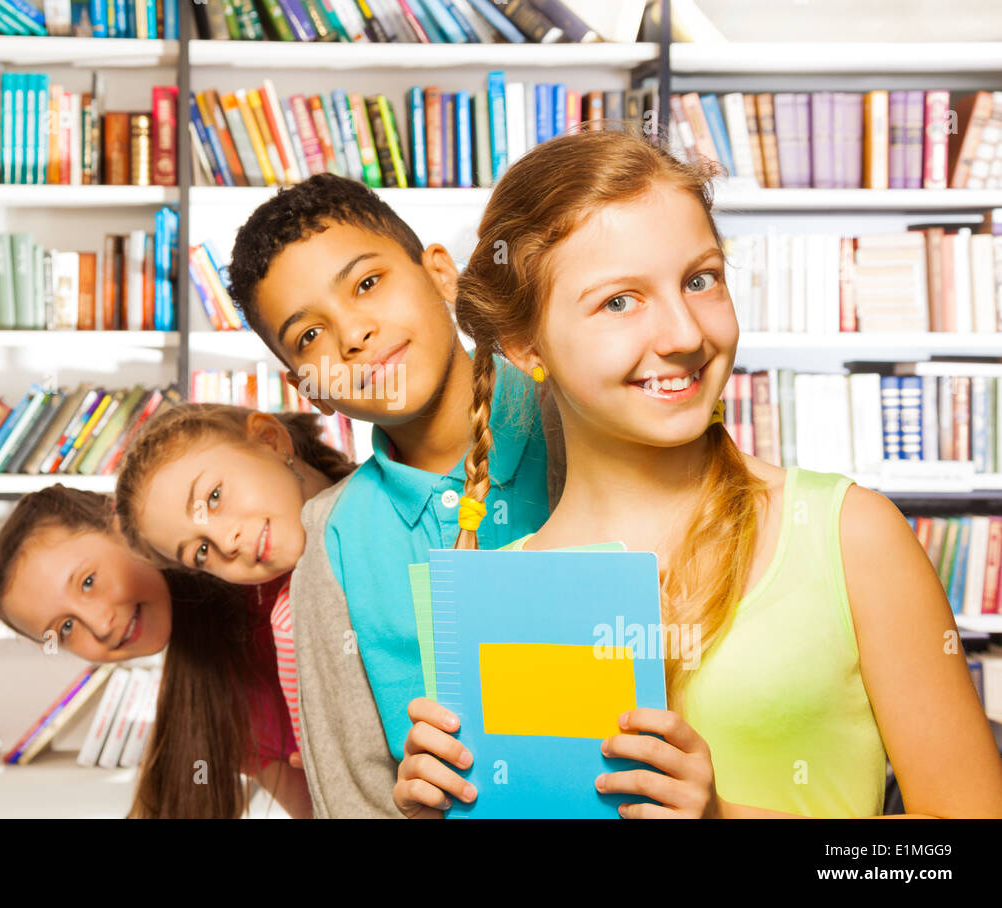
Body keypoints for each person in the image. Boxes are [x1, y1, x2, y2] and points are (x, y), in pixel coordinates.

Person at [393, 128, 1002, 818]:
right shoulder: (500, 595)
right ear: (526, 345)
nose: (684, 334)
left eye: (700, 279)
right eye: (619, 301)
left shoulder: (848, 535)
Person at [225, 173, 559, 816]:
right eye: (309, 336)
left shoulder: (582, 425)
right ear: (308, 389)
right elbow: (350, 789)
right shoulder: (333, 539)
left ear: (440, 274)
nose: (352, 335)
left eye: (367, 284)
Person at [0, 483, 310, 818]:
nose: (101, 626)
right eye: (65, 628)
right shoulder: (223, 711)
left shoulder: (278, 568)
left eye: (88, 582)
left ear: (120, 523)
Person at [113, 403, 358, 754]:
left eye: (213, 497)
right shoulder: (289, 624)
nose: (226, 542)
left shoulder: (401, 498)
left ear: (270, 440)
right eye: (200, 552)